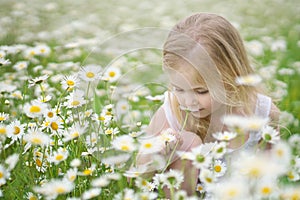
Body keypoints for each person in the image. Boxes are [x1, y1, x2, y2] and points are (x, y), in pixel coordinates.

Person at [136, 12, 280, 196]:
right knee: (188, 142)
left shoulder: (261, 114)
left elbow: (272, 175)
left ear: (232, 76)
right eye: (179, 89)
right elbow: (138, 177)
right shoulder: (170, 113)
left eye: (201, 91)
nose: (188, 102)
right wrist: (155, 154)